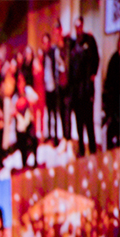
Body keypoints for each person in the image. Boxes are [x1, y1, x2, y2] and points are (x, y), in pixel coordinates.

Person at [68, 17, 99, 156]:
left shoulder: (90, 40)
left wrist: (93, 74)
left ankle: (92, 149)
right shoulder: (73, 44)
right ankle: (80, 149)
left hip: (87, 90)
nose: (78, 29)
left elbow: (96, 59)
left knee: (89, 122)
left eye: (79, 26)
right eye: (76, 27)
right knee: (79, 123)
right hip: (76, 91)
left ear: (83, 25)